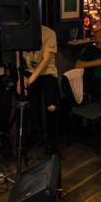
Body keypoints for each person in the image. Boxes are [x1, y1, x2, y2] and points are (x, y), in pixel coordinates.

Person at [17, 25, 60, 154]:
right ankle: (34, 138)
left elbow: (45, 60)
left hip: (47, 72)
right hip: (29, 72)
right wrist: (20, 79)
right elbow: (18, 59)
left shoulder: (49, 33)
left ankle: (52, 145)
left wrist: (30, 81)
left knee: (51, 106)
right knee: (28, 103)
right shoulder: (19, 33)